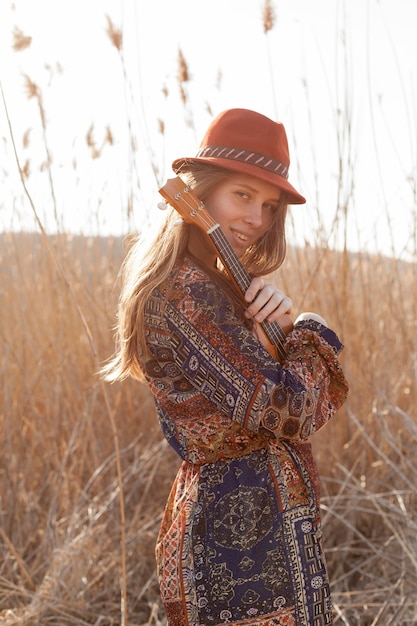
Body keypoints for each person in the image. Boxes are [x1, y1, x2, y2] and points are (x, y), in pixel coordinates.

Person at [103, 108, 349, 625]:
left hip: (261, 531)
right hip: (238, 547)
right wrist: (311, 329)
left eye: (269, 205)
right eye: (242, 195)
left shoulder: (213, 288)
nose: (257, 219)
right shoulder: (184, 294)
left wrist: (276, 328)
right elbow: (290, 409)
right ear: (199, 193)